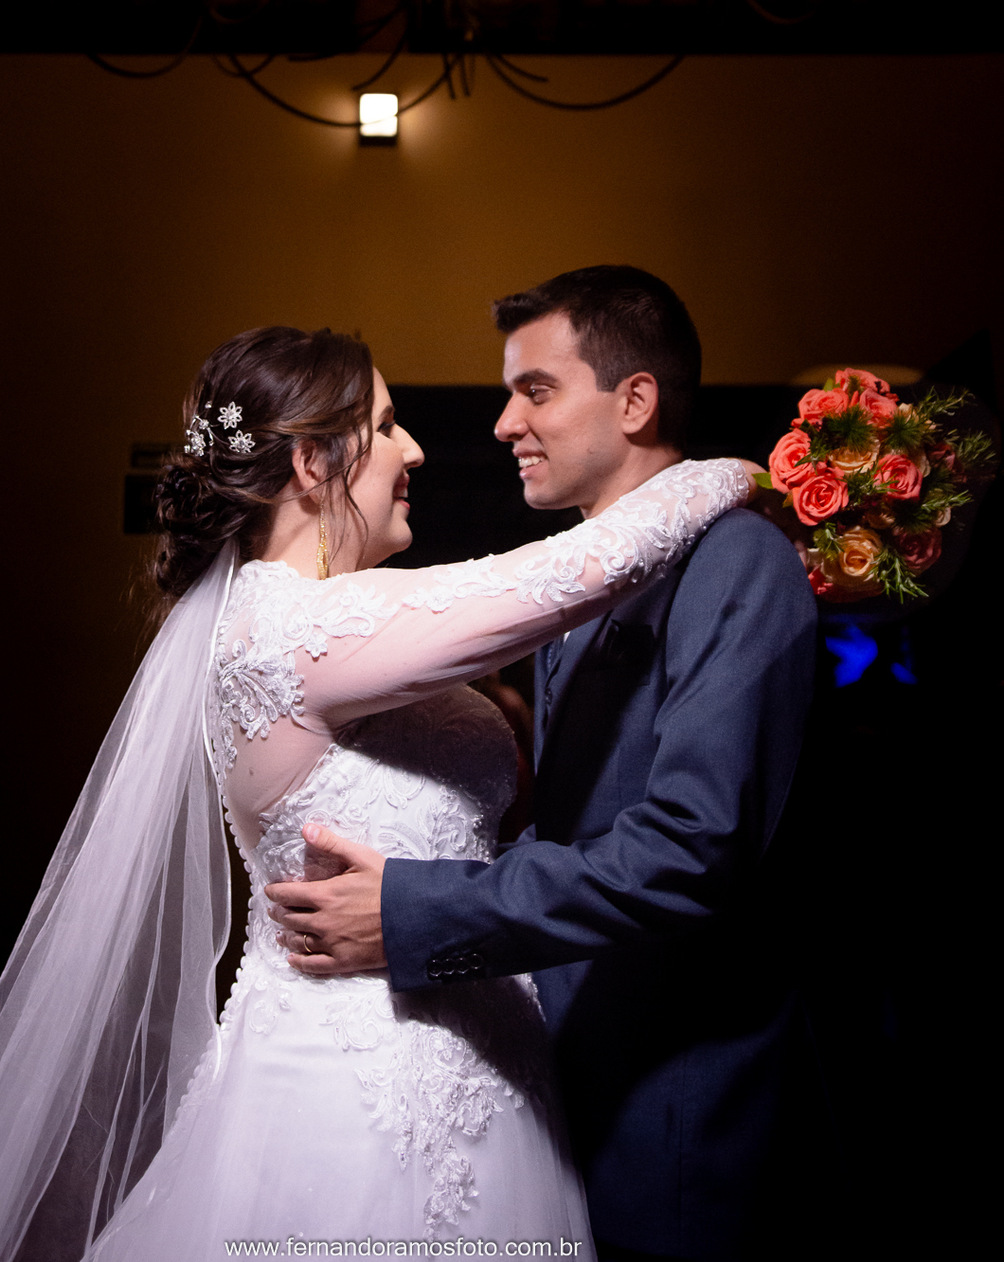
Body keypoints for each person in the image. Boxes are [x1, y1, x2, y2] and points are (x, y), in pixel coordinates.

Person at [0, 323, 755, 1262]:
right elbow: (575, 573)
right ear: (310, 462)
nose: (414, 451)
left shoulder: (350, 625)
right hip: (354, 1083)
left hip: (486, 1062)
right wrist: (735, 477)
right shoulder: (288, 627)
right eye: (387, 423)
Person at [266, 272, 818, 1262]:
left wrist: (417, 911)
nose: (502, 424)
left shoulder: (737, 561)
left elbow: (692, 849)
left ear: (636, 401)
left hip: (677, 1097)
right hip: (563, 1073)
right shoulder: (575, 581)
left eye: (536, 390)